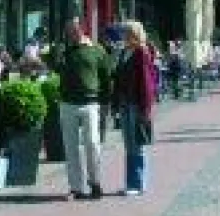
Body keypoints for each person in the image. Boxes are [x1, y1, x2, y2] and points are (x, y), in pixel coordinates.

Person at [58, 18, 111, 200]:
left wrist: (106, 103)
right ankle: (76, 187)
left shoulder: (97, 50)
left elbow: (106, 78)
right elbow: (57, 69)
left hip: (90, 102)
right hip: (68, 103)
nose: (69, 33)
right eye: (67, 30)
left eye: (71, 29)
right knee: (70, 146)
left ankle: (95, 182)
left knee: (93, 143)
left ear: (81, 29)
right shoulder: (65, 51)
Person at [111, 20, 156, 196]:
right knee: (129, 144)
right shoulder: (124, 52)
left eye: (125, 32)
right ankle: (131, 183)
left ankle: (138, 183)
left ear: (133, 34)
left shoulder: (141, 53)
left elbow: (146, 82)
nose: (122, 35)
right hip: (124, 102)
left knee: (137, 144)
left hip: (136, 103)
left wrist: (146, 108)